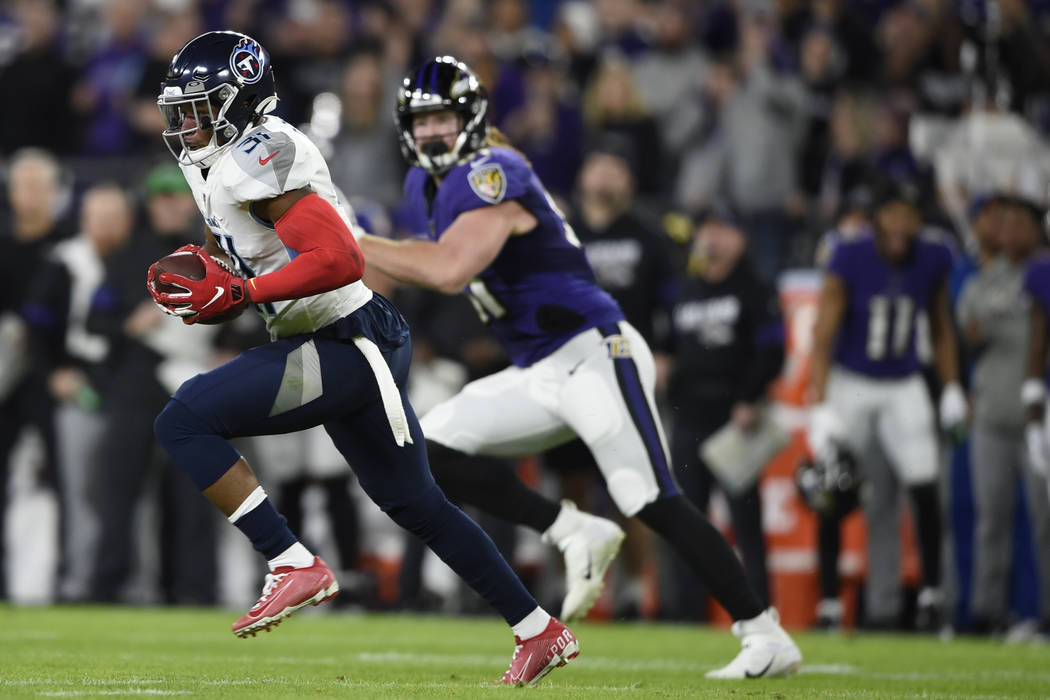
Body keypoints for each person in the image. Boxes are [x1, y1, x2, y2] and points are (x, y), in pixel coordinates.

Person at [144, 32, 576, 686]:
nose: (187, 124)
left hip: (349, 336)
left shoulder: (259, 153)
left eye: (202, 108)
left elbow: (342, 257)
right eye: (181, 110)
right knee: (416, 503)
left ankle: (292, 561)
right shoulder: (216, 161)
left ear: (241, 100)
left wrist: (246, 290)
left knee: (182, 419)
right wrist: (219, 284)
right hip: (334, 335)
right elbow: (244, 253)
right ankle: (539, 629)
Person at [358, 55, 801, 679]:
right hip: (538, 369)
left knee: (648, 498)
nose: (431, 132)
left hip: (595, 351)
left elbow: (448, 268)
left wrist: (345, 241)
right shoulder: (422, 186)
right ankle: (570, 529)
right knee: (427, 448)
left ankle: (764, 633)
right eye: (421, 120)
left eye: (444, 117)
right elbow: (406, 264)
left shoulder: (493, 170)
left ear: (472, 119)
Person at [808, 181, 966, 632]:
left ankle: (932, 596)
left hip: (903, 380)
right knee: (831, 487)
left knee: (924, 484)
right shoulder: (850, 254)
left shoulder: (932, 256)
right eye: (893, 213)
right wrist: (820, 404)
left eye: (910, 215)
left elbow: (940, 324)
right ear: (877, 216)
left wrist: (952, 386)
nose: (902, 224)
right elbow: (824, 333)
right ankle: (831, 603)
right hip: (852, 379)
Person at [665, 205, 784, 620]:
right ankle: (686, 614)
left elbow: (773, 351)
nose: (712, 239)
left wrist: (750, 398)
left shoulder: (754, 287)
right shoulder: (684, 286)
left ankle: (760, 613)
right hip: (689, 414)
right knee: (686, 521)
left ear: (741, 239)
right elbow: (667, 342)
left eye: (722, 229)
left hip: (735, 417)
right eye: (707, 229)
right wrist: (664, 366)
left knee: (745, 522)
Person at [960, 195, 1050, 635]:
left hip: (1042, 415)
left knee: (1046, 520)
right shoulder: (984, 279)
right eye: (1005, 223)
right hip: (993, 413)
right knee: (990, 519)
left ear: (1037, 229)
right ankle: (985, 612)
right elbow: (967, 332)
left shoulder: (1045, 273)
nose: (1010, 232)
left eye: (1020, 224)